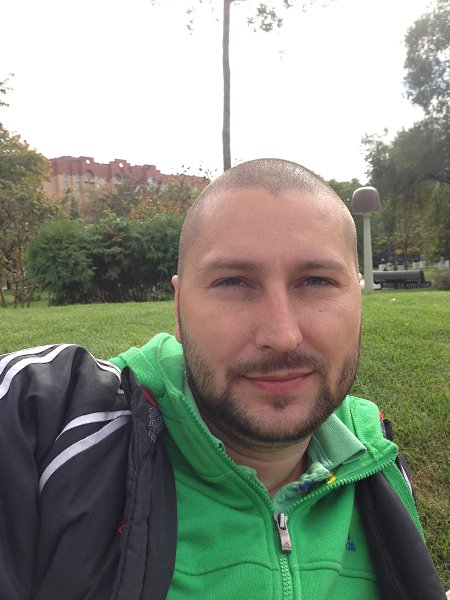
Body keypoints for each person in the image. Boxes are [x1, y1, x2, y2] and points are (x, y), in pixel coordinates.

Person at [0, 159, 445, 600]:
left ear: (358, 299)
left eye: (316, 281)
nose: (282, 336)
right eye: (233, 282)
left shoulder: (373, 454)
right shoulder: (43, 417)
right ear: (178, 309)